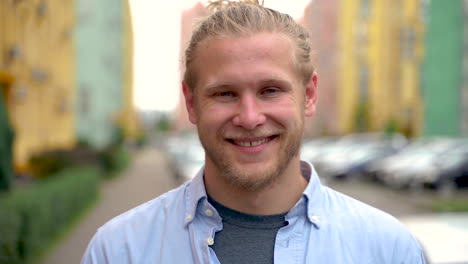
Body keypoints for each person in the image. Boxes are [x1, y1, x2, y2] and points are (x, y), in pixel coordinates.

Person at [82, 2, 426, 263]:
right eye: (225, 93)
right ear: (191, 103)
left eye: (271, 90)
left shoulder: (387, 248)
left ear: (309, 95)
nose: (249, 117)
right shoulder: (120, 249)